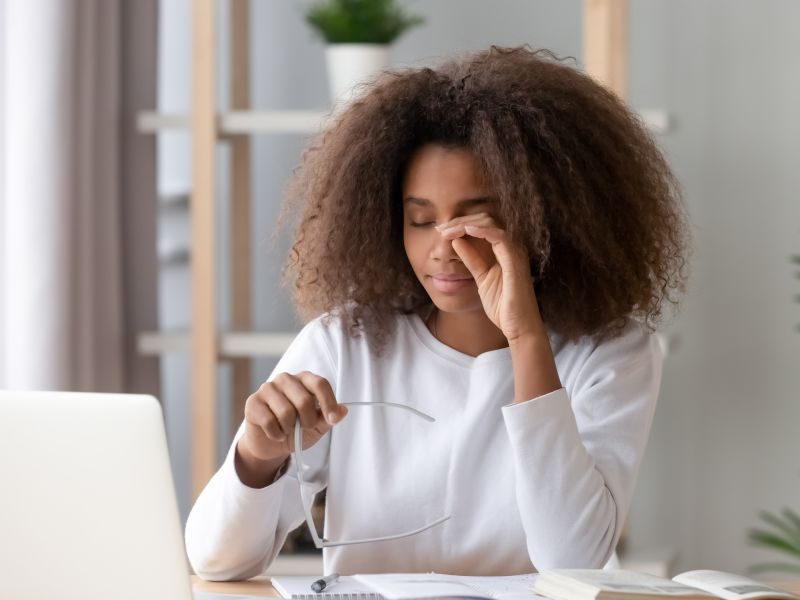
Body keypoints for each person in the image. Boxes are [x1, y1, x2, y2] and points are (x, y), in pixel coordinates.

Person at [185, 45, 691, 580]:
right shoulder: (345, 343)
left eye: (475, 221)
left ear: (546, 222)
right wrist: (258, 455)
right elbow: (217, 562)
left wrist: (524, 337)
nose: (443, 248)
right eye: (421, 220)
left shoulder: (610, 351)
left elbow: (571, 561)